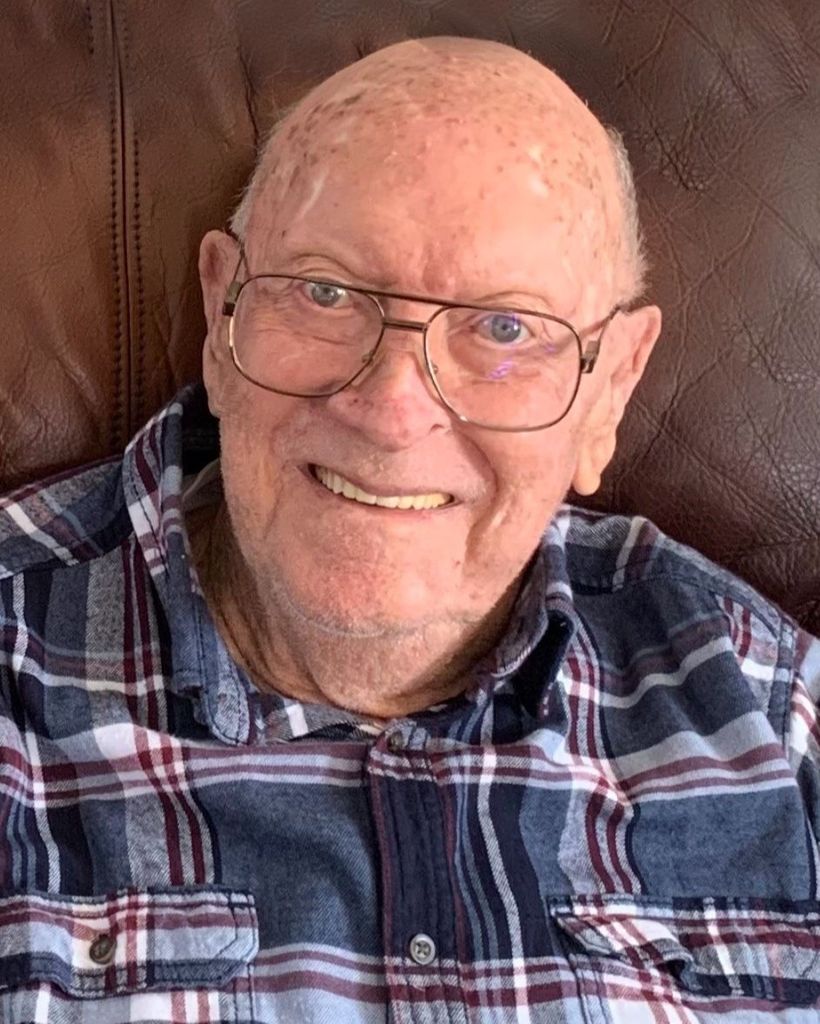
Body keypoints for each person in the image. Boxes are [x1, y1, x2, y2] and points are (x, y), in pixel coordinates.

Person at [0, 34, 817, 1024]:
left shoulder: (772, 710)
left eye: (505, 328)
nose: (392, 410)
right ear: (223, 312)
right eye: (327, 292)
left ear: (609, 389)